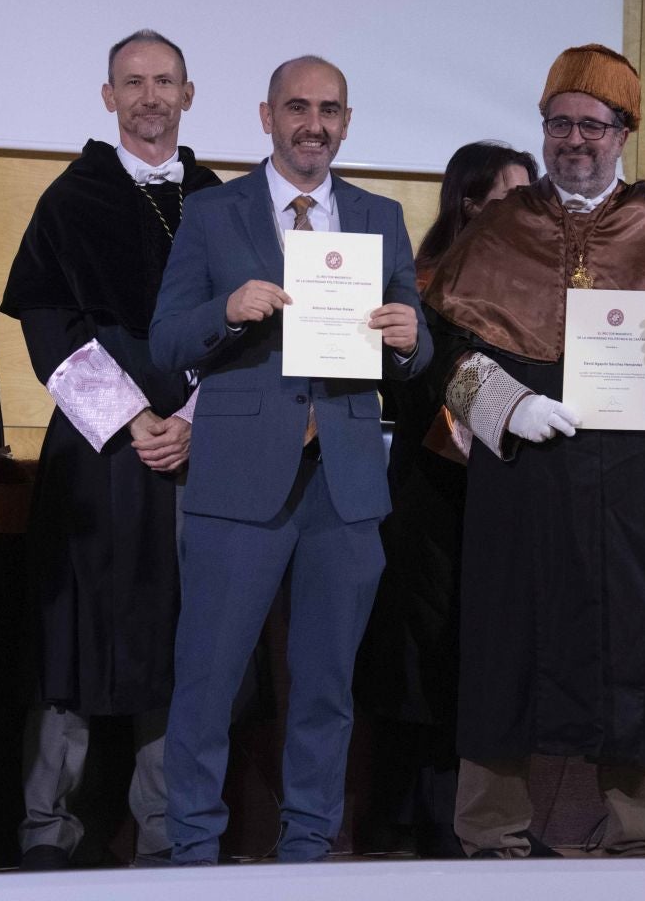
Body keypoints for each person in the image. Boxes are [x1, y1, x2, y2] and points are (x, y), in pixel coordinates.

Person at [424, 45, 645, 858]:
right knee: (506, 643)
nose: (573, 140)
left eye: (591, 125)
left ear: (624, 132)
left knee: (636, 648)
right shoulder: (499, 227)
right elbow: (443, 355)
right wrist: (507, 405)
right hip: (520, 478)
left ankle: (639, 829)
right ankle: (492, 828)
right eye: (558, 124)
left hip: (628, 487)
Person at [149, 54, 431, 864]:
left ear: (347, 122)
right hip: (239, 479)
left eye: (329, 110)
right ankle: (192, 852)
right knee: (207, 680)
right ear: (266, 116)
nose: (314, 124)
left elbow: (414, 349)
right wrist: (228, 310)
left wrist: (411, 340)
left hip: (345, 482)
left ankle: (308, 850)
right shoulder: (214, 212)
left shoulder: (379, 215)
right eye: (297, 108)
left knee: (327, 687)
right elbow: (166, 340)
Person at [0, 30, 219, 868]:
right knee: (74, 637)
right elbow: (48, 327)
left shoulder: (220, 201)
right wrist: (132, 419)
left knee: (181, 631)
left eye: (164, 81)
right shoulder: (71, 198)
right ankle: (47, 829)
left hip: (195, 451)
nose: (149, 96)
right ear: (108, 96)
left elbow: (251, 330)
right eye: (133, 82)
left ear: (188, 95)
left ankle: (168, 829)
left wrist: (193, 417)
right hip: (98, 455)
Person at [354, 141, 538, 859]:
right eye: (510, 198)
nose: (526, 212)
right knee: (421, 655)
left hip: (504, 496)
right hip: (432, 492)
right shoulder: (425, 282)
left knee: (481, 655)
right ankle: (407, 816)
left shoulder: (532, 287)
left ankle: (472, 816)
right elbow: (411, 388)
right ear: (469, 203)